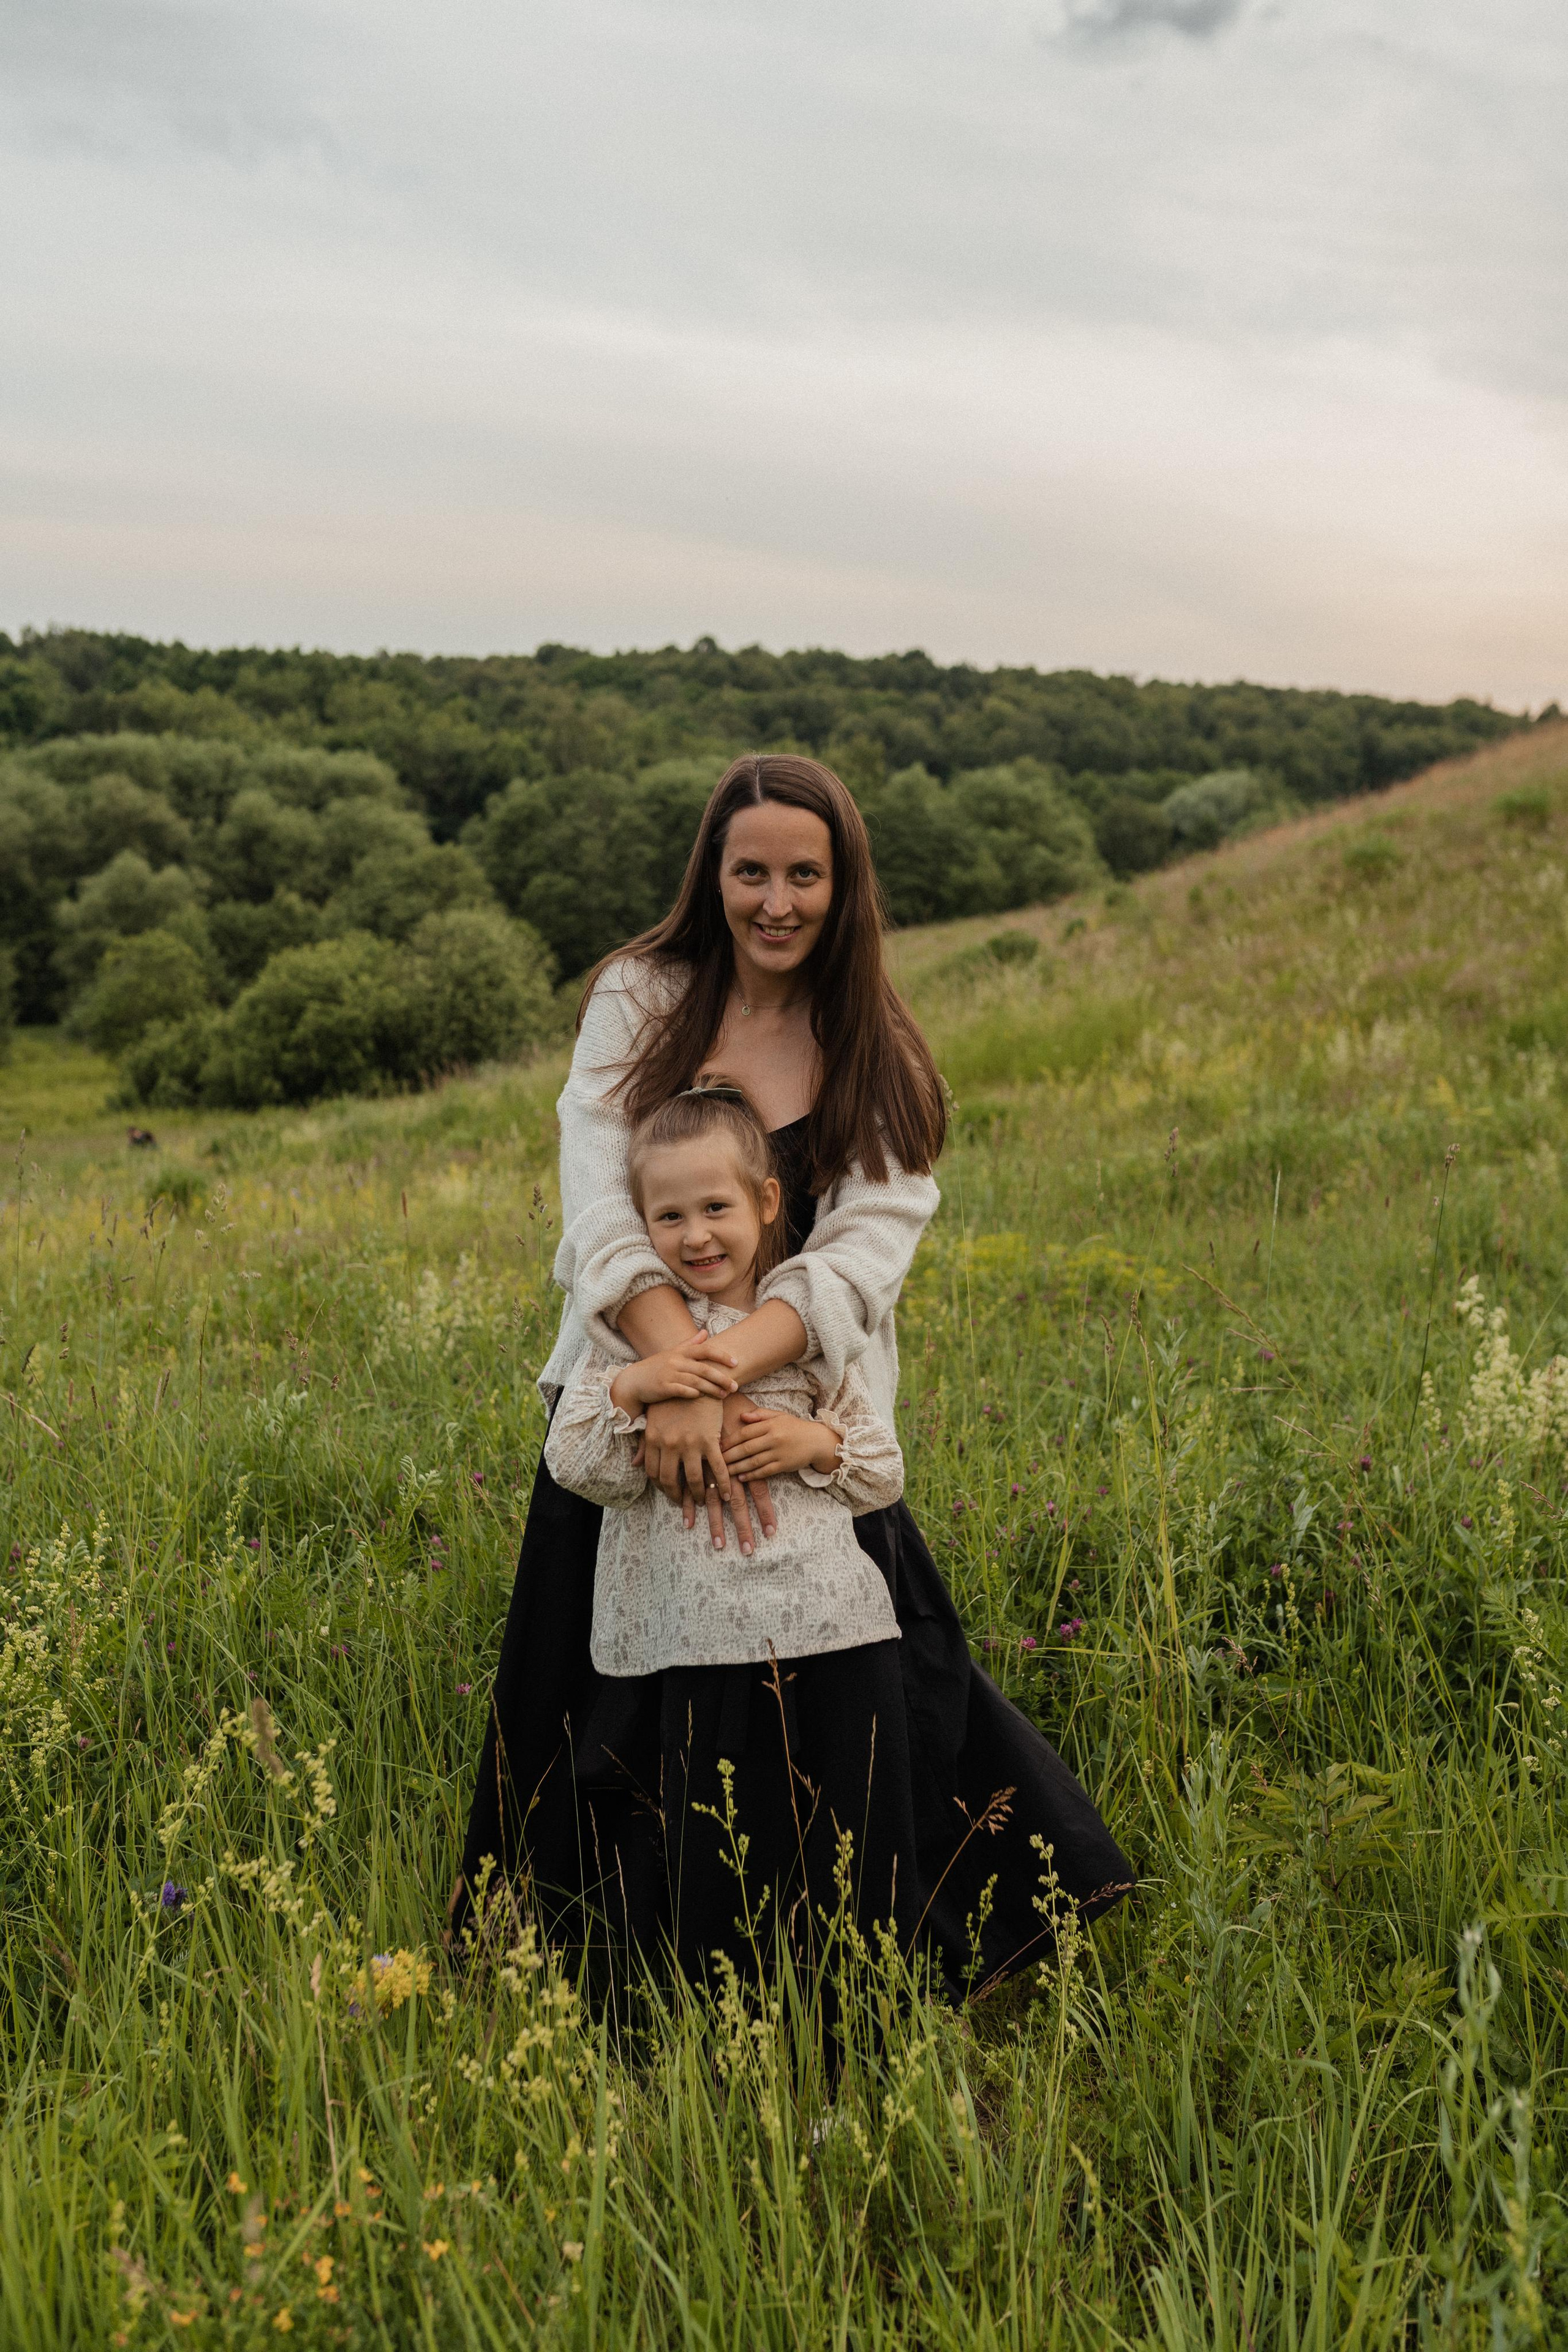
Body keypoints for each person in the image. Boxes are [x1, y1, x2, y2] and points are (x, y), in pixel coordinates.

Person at [453, 753, 1131, 1995]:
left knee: (847, 1677)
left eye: (803, 874)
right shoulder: (636, 996)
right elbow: (600, 1215)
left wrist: (725, 1377)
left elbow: (861, 1257)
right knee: (609, 1688)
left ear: (842, 883)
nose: (775, 899)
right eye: (750, 869)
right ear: (711, 875)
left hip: (802, 1412)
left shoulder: (874, 1047)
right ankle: (611, 1966)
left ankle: (860, 1957)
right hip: (625, 1390)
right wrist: (673, 1377)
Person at [545, 1079, 906, 1687]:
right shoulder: (631, 1343)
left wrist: (812, 1444)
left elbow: (883, 1473)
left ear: (766, 1202)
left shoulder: (800, 1329)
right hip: (686, 1630)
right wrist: (636, 1387)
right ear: (642, 1224)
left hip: (819, 1621)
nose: (695, 1236)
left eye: (715, 1208)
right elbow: (575, 1464)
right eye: (669, 1217)